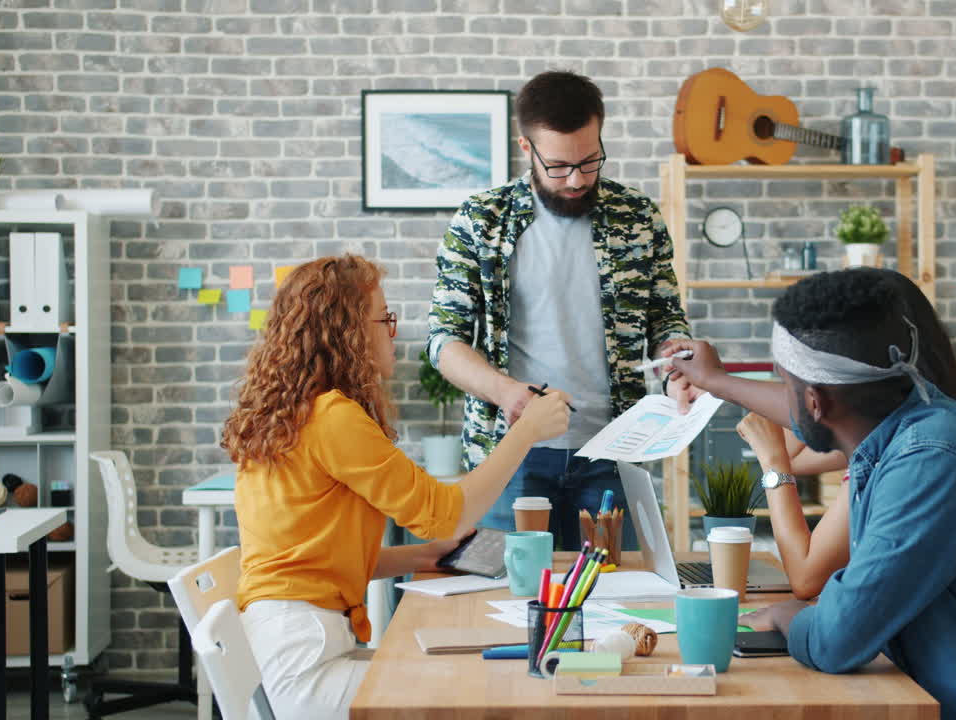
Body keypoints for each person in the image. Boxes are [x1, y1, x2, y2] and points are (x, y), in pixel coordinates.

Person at [678, 269, 956, 719]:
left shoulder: (930, 464)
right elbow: (813, 404)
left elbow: (836, 639)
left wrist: (785, 616)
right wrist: (716, 380)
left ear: (816, 400)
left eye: (785, 382)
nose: (783, 400)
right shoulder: (915, 421)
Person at [222, 255, 571, 719]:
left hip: (290, 647)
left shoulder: (293, 415)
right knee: (479, 693)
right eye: (384, 318)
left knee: (467, 679)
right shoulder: (332, 418)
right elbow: (448, 515)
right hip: (305, 666)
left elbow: (314, 559)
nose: (393, 331)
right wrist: (525, 432)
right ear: (347, 331)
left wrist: (422, 557)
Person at [427, 70, 696, 550]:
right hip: (510, 456)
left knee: (615, 588)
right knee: (506, 588)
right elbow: (445, 341)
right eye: (558, 166)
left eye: (589, 161)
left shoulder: (637, 217)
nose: (576, 179)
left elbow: (665, 319)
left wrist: (677, 363)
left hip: (614, 452)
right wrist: (507, 393)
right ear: (526, 148)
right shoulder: (482, 220)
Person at [665, 269, 956, 600]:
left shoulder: (907, 450)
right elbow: (798, 451)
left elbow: (806, 578)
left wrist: (773, 464)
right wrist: (718, 382)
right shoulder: (911, 418)